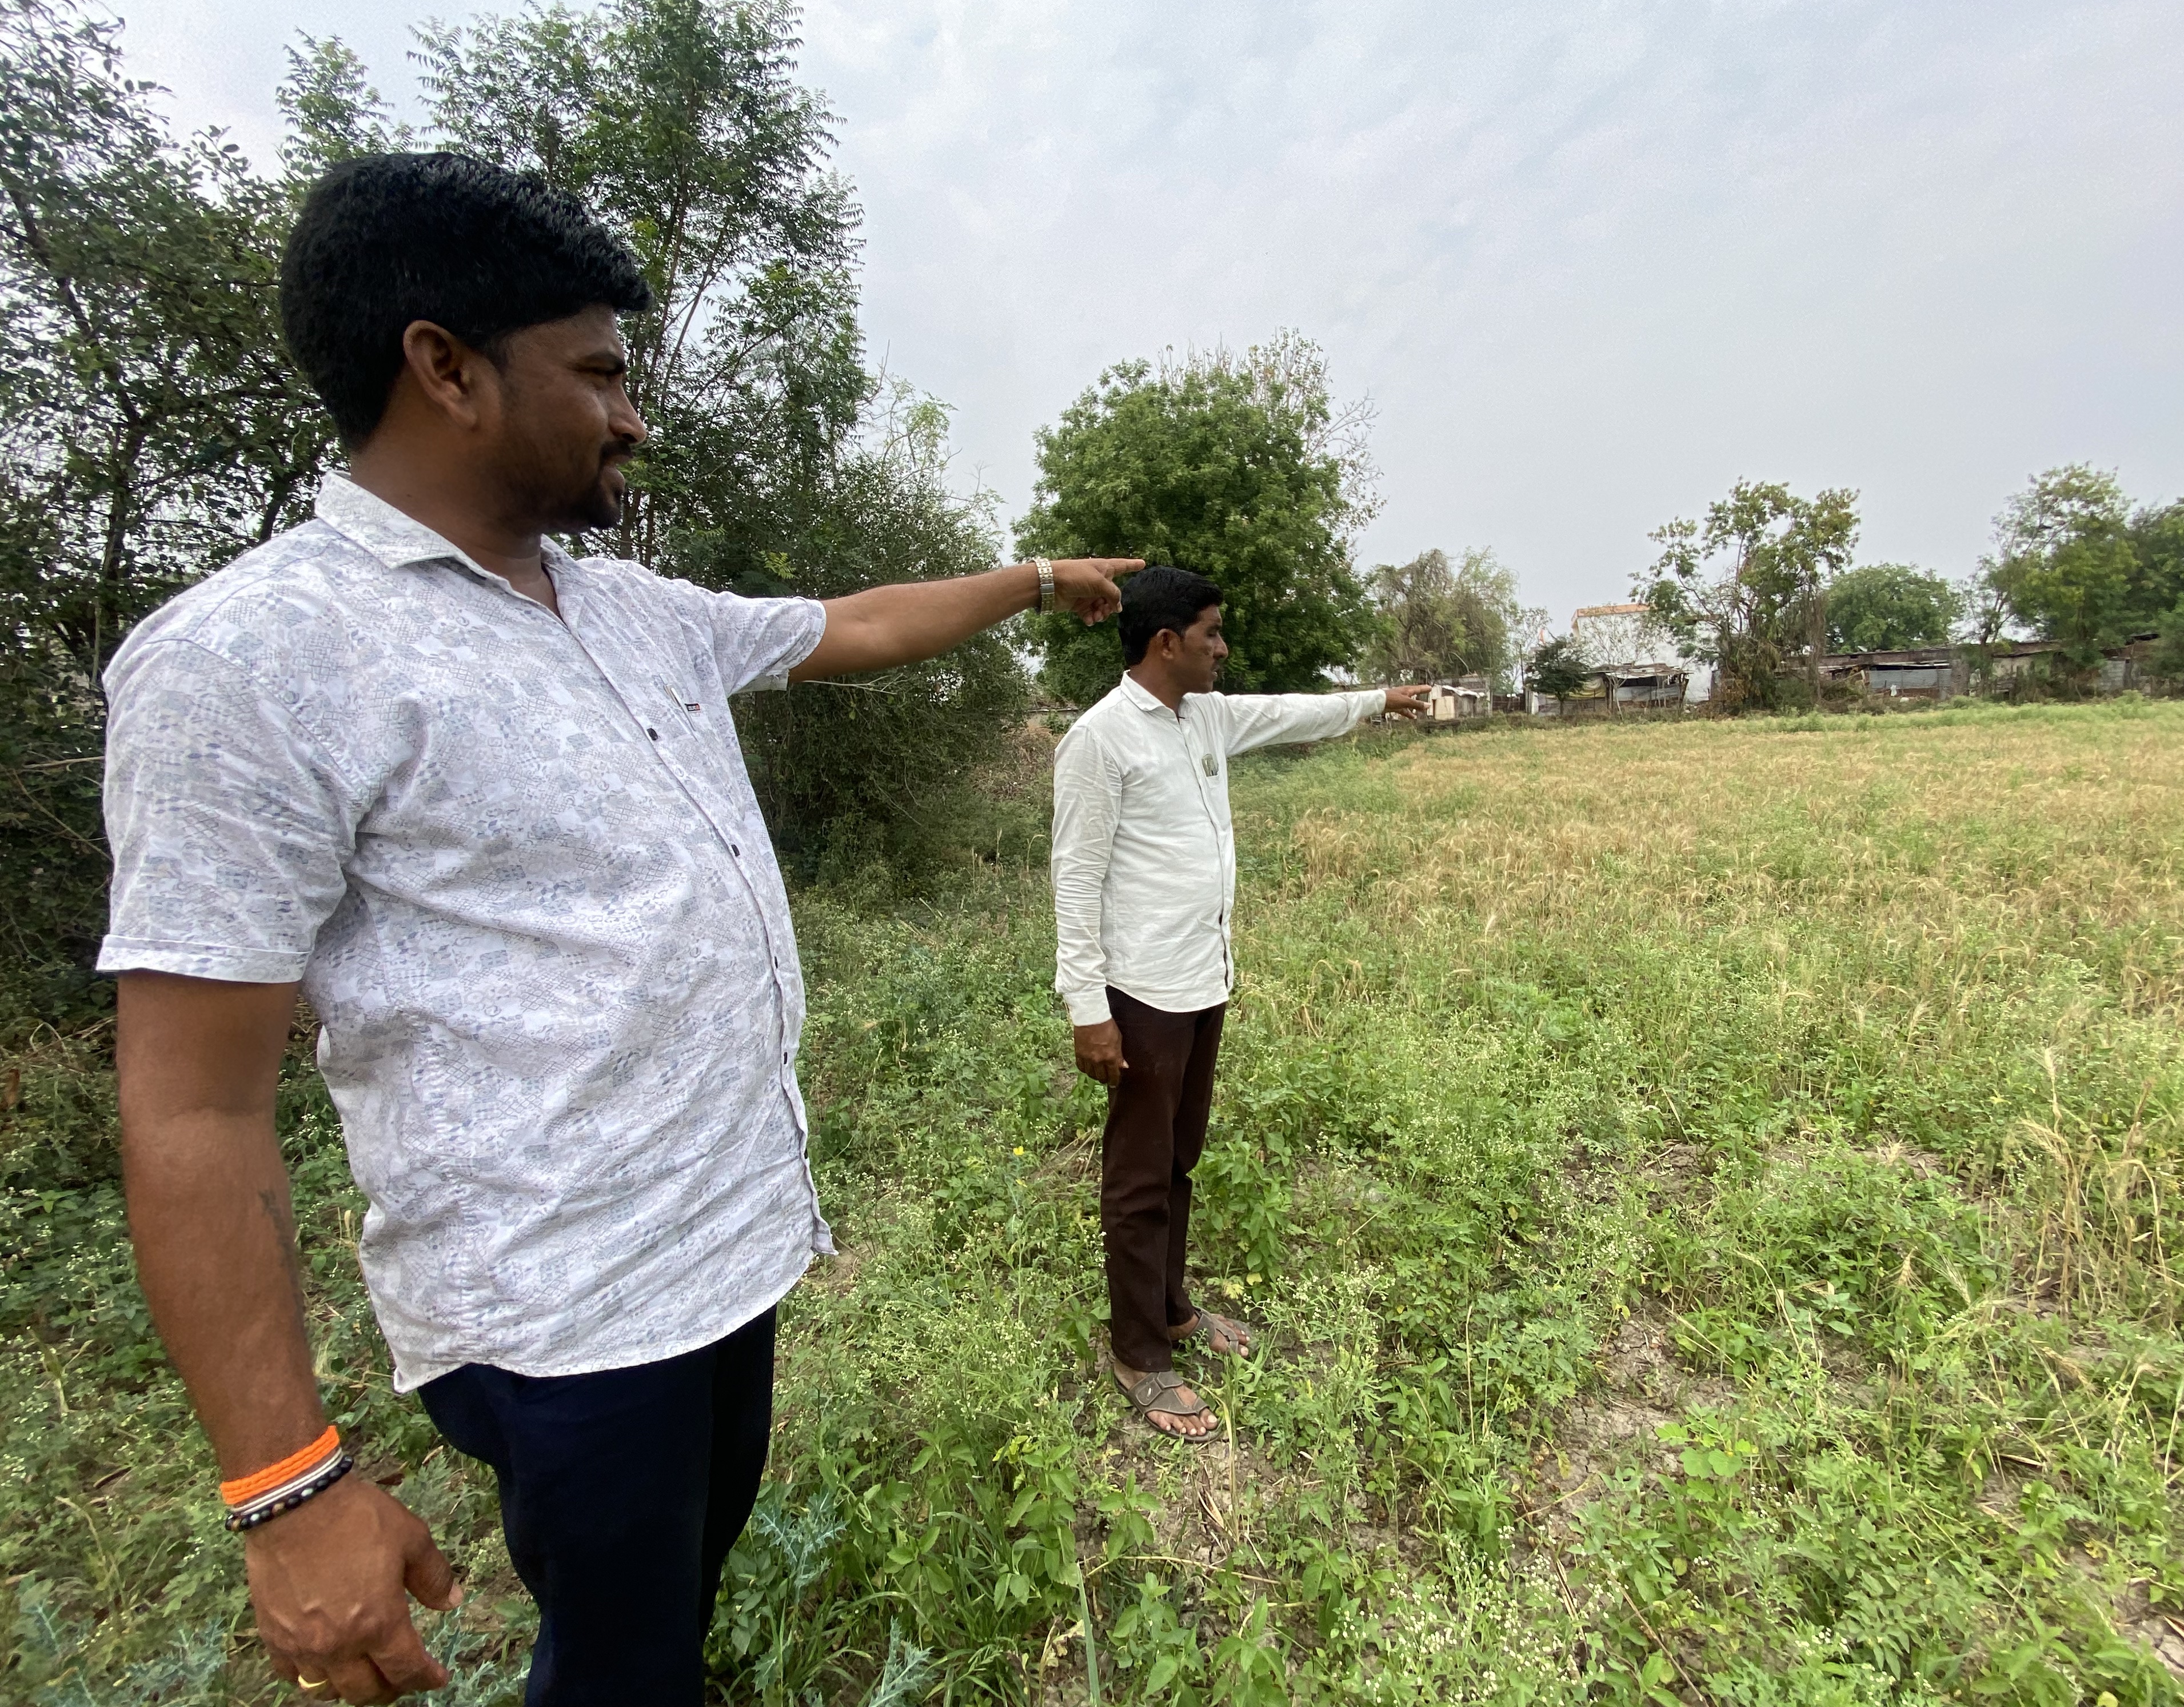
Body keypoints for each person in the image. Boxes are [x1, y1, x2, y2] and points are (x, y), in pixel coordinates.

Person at [101, 153, 1139, 1706]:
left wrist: (1034, 578)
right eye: (597, 373)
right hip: (566, 1319)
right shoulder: (251, 660)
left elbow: (852, 626)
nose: (633, 414)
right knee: (616, 1662)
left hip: (731, 1245)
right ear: (445, 368)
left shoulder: (622, 608)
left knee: (675, 1605)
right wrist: (288, 1485)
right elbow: (192, 1100)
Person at [1049, 567, 1427, 1438]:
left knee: (1179, 1161)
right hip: (1139, 993)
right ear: (1166, 643)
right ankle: (1140, 1352)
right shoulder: (1100, 740)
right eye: (1212, 632)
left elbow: (1293, 712)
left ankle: (1175, 1308)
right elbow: (1074, 881)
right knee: (1139, 1176)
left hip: (1202, 979)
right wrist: (1087, 1009)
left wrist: (1374, 700)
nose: (1224, 648)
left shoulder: (1207, 716)